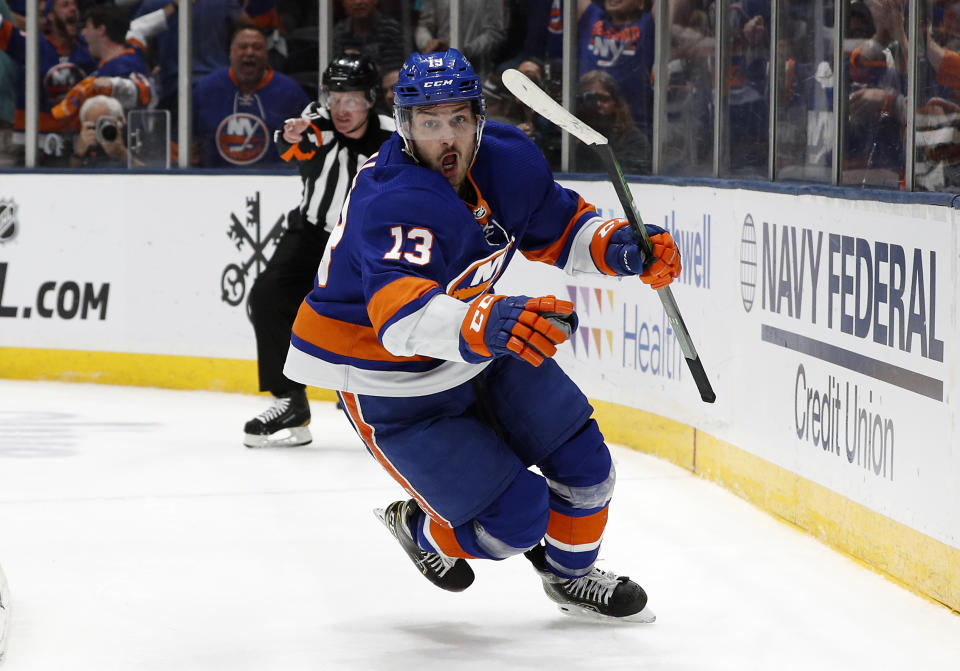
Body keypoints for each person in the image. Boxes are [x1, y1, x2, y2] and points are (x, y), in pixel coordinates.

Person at [281, 49, 681, 621]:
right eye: (428, 123)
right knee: (515, 520)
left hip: (477, 341)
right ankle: (423, 530)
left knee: (588, 466)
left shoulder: (506, 161)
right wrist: (491, 321)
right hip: (385, 376)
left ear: (478, 119)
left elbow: (561, 226)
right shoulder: (394, 198)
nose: (446, 140)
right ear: (406, 125)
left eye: (458, 121)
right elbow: (401, 323)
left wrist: (620, 245)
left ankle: (572, 578)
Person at [242, 53, 395, 447]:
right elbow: (299, 139)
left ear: (371, 99)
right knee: (268, 295)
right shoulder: (319, 119)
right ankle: (290, 400)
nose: (341, 108)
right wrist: (291, 134)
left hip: (364, 244)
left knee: (379, 314)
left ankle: (376, 398)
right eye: (334, 96)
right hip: (311, 232)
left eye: (351, 98)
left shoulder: (394, 138)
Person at [191, 26, 309, 168]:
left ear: (266, 54)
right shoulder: (206, 89)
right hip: (214, 181)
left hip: (274, 182)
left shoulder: (291, 93)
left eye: (257, 47)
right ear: (231, 53)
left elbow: (309, 146)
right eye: (242, 47)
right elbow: (180, 142)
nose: (250, 52)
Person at [575, 69, 650, 174]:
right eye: (590, 99)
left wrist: (584, 145)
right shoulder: (567, 139)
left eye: (603, 99)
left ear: (617, 104)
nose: (597, 104)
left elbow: (626, 176)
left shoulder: (632, 140)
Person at [414, 0, 506, 78]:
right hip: (438, 70)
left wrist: (462, 51)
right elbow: (424, 25)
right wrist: (428, 43)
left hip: (478, 73)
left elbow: (495, 32)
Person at [333, 0, 404, 74]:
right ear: (343, 2)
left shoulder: (390, 29)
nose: (358, 2)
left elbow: (393, 75)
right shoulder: (338, 32)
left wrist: (361, 62)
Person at [70, 93, 127, 166]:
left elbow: (143, 167)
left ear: (120, 121)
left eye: (103, 124)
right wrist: (79, 153)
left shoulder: (132, 134)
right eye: (94, 127)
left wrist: (123, 153)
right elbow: (66, 174)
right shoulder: (81, 140)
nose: (100, 131)